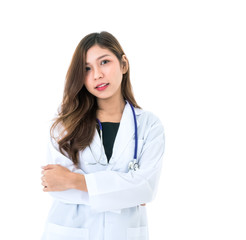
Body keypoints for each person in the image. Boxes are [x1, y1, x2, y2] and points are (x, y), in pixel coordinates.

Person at [40, 31, 165, 240]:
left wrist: (73, 180)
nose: (97, 74)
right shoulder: (65, 123)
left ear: (123, 64)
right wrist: (127, 191)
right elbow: (57, 187)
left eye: (104, 62)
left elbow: (146, 188)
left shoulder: (149, 125)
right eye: (87, 68)